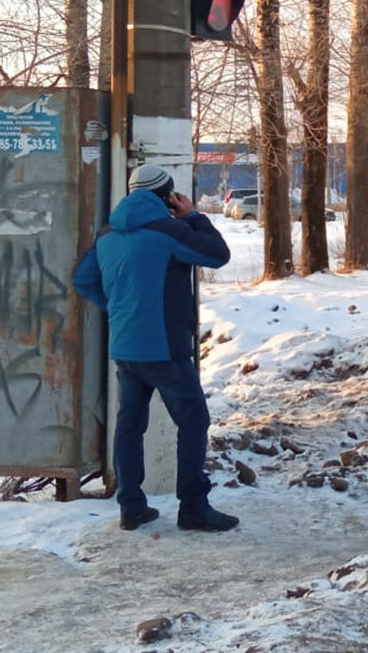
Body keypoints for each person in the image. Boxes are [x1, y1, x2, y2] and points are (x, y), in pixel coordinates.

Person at [72, 164, 237, 532]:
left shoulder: (107, 233)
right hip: (165, 348)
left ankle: (131, 507)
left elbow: (82, 280)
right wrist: (194, 217)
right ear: (167, 196)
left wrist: (118, 305)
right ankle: (193, 507)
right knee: (193, 421)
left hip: (126, 347)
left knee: (129, 426)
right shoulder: (168, 231)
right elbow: (217, 254)